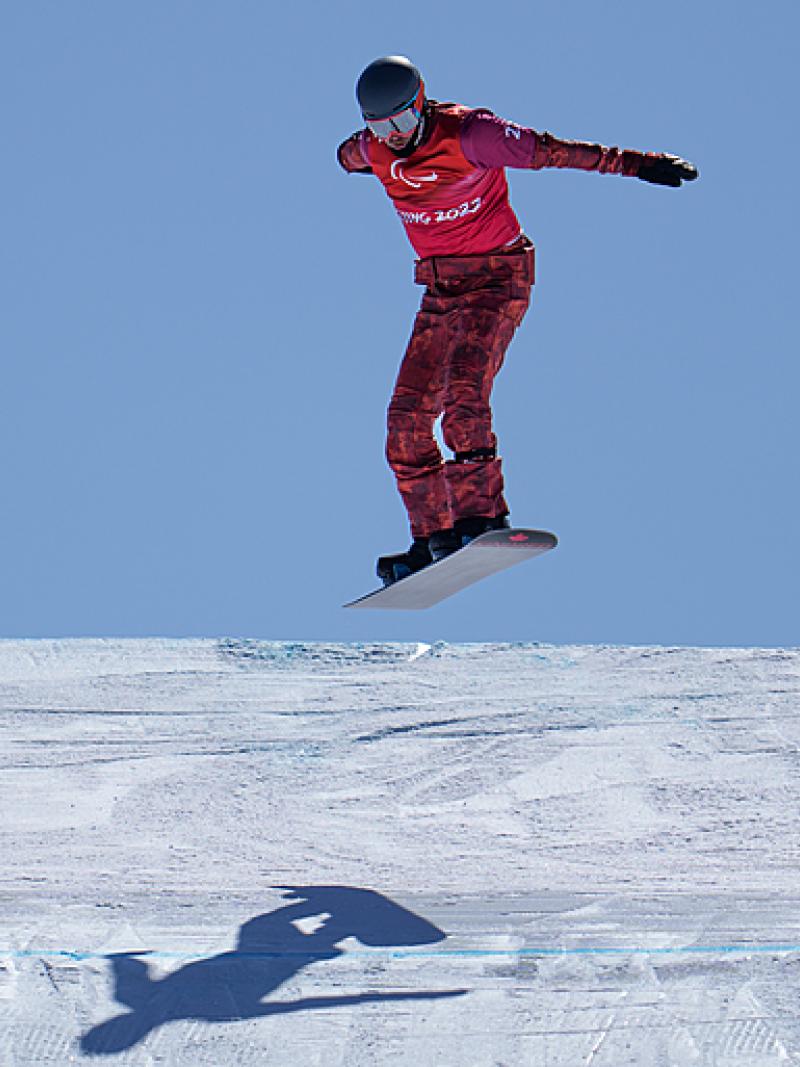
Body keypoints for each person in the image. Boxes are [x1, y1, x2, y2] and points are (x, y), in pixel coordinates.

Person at [338, 56, 698, 587]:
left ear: (421, 105)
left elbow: (553, 151)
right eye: (379, 126)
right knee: (405, 421)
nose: (392, 137)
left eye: (401, 122)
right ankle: (431, 538)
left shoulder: (472, 134)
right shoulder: (371, 150)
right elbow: (347, 156)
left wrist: (639, 163)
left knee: (463, 396)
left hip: (498, 278)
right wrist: (356, 151)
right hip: (441, 288)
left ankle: (482, 516)